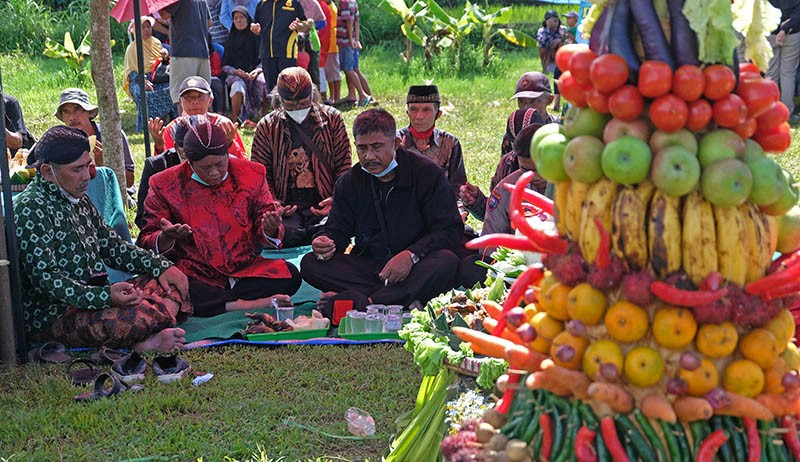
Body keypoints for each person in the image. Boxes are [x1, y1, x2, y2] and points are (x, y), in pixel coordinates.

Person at [13, 126, 191, 353]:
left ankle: (153, 321)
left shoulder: (76, 198)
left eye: (87, 166)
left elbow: (113, 247)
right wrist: (105, 297)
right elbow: (47, 281)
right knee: (133, 319)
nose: (87, 175)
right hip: (55, 314)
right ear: (48, 172)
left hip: (98, 297)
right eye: (77, 169)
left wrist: (160, 265)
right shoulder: (31, 208)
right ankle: (144, 341)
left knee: (172, 279)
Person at [301, 109, 463, 311]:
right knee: (310, 263)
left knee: (446, 262)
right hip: (371, 266)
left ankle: (368, 301)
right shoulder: (350, 182)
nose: (369, 156)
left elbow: (450, 231)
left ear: (395, 143)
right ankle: (398, 298)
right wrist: (325, 242)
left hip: (417, 264)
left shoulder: (426, 174)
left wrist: (411, 255)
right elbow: (337, 230)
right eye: (362, 149)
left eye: (377, 147)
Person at [138, 120, 302, 317]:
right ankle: (241, 304)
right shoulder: (164, 183)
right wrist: (166, 237)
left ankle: (218, 301)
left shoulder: (252, 173)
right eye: (205, 168)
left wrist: (269, 228)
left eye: (219, 164)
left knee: (290, 274)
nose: (214, 172)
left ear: (227, 154)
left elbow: (265, 216)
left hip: (242, 269)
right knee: (173, 283)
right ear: (188, 162)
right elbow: (146, 238)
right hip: (194, 271)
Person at [251, 67, 351, 247]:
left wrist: (336, 199)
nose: (297, 108)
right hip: (287, 206)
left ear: (313, 95)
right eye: (291, 105)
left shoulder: (333, 120)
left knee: (327, 235)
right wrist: (275, 205)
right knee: (285, 235)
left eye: (303, 102)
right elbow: (261, 175)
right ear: (279, 101)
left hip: (323, 202)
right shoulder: (266, 127)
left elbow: (344, 167)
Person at [458, 122, 544, 287]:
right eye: (526, 171)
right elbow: (489, 246)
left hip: (561, 265)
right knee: (471, 267)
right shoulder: (506, 189)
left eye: (541, 169)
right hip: (517, 268)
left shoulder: (575, 185)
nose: (534, 177)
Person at [460, 107, 548, 221]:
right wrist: (477, 202)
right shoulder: (506, 166)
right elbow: (496, 217)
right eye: (525, 169)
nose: (532, 176)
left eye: (538, 168)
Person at [55, 88, 136, 189]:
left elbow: (129, 181)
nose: (72, 117)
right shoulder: (61, 141)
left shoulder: (112, 135)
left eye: (77, 110)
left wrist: (105, 163)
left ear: (89, 112)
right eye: (66, 112)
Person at [150, 76, 248, 159]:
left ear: (210, 100)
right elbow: (162, 170)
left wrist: (230, 143)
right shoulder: (173, 129)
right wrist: (159, 146)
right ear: (180, 102)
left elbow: (243, 164)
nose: (195, 101)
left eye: (200, 96)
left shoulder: (223, 125)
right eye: (188, 97)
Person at [397, 85, 466, 197]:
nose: (419, 116)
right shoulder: (396, 141)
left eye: (426, 110)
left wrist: (457, 210)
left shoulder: (449, 142)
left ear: (438, 114)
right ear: (407, 113)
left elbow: (458, 186)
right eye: (413, 109)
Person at [135, 116, 201, 230]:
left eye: (200, 152)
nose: (193, 159)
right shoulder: (157, 167)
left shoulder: (218, 166)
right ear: (176, 147)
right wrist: (167, 233)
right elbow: (143, 218)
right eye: (186, 152)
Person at [159, 0, 213, 113]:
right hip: (202, 51)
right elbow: (209, 22)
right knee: (204, 96)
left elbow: (164, 14)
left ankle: (184, 129)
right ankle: (208, 129)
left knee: (183, 95)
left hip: (183, 53)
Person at [123, 16, 175, 129]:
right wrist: (143, 81)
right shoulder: (132, 49)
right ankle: (151, 124)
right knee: (142, 94)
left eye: (148, 27)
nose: (146, 30)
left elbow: (163, 66)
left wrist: (165, 58)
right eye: (143, 27)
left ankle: (166, 121)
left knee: (172, 89)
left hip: (158, 77)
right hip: (139, 79)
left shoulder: (156, 43)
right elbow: (131, 72)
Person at [250, 0, 311, 92]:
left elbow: (306, 26)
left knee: (289, 88)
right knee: (272, 89)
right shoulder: (262, 4)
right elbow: (256, 25)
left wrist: (299, 26)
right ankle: (276, 107)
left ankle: (291, 106)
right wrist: (254, 29)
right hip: (267, 53)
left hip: (287, 53)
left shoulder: (294, 3)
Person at [222, 6, 269, 124]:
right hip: (236, 74)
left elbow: (264, 59)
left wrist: (256, 71)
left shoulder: (257, 39)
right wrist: (235, 71)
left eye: (241, 17)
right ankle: (235, 118)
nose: (238, 20)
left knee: (263, 82)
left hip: (254, 73)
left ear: (247, 19)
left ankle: (263, 118)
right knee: (237, 86)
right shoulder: (230, 40)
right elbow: (224, 66)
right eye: (236, 18)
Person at [767, 0, 800, 122]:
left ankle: (769, 111)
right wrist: (787, 27)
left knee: (771, 74)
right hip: (792, 33)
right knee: (788, 74)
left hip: (770, 34)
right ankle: (787, 112)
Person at [335, 0, 370, 106]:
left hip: (346, 41)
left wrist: (350, 40)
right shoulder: (353, 2)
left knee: (348, 69)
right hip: (353, 41)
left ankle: (363, 95)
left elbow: (349, 21)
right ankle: (353, 94)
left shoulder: (344, 2)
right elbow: (356, 21)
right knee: (354, 68)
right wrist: (356, 39)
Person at [537, 10, 564, 111]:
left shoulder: (563, 30)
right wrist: (554, 41)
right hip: (548, 56)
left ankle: (557, 103)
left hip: (561, 57)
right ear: (546, 21)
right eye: (552, 21)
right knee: (542, 48)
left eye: (556, 21)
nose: (554, 23)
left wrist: (561, 38)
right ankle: (545, 67)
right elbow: (542, 43)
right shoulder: (542, 31)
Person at [323, 0, 341, 102]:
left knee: (334, 71)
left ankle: (337, 97)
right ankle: (332, 95)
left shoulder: (331, 8)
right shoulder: (327, 6)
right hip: (327, 44)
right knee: (329, 72)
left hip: (332, 44)